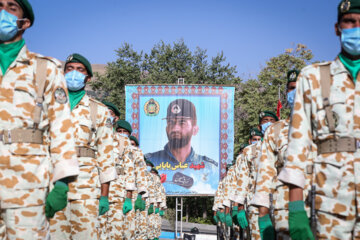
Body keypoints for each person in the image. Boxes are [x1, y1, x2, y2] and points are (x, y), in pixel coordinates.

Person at [278, 1, 360, 239]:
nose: (356, 28)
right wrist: (295, 211)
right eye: (350, 22)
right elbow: (298, 146)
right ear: (337, 28)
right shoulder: (313, 77)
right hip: (331, 201)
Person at [0, 0, 80, 238]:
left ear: (25, 22)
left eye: (11, 7)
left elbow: (61, 127)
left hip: (27, 186)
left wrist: (63, 183)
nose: (2, 12)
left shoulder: (45, 69)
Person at [49, 53, 117, 239]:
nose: (74, 73)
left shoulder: (98, 110)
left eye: (80, 70)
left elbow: (106, 154)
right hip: (51, 186)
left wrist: (104, 195)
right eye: (69, 69)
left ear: (88, 78)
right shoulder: (48, 105)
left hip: (85, 189)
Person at [250, 70, 311, 240]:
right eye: (292, 88)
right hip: (285, 209)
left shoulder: (325, 123)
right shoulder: (275, 131)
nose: (296, 92)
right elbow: (265, 174)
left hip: (323, 206)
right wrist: (263, 217)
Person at [231, 111, 278, 240]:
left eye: (272, 121)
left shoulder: (284, 144)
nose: (268, 123)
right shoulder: (249, 151)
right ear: (259, 127)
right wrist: (239, 206)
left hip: (280, 202)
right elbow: (243, 179)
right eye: (264, 121)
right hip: (255, 202)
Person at [145, 98, 217, 168]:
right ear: (166, 128)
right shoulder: (147, 163)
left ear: (194, 130)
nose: (175, 128)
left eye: (182, 122)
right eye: (171, 122)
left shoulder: (210, 168)